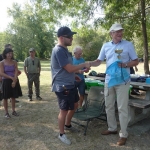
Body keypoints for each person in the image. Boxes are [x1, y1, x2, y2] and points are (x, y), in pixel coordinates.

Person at [87, 23, 139, 146]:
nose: (119, 33)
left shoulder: (128, 45)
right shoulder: (105, 46)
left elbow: (136, 61)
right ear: (111, 33)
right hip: (109, 81)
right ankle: (112, 128)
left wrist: (125, 65)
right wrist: (88, 63)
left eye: (121, 31)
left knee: (122, 108)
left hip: (123, 81)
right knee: (109, 106)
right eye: (116, 31)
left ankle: (123, 134)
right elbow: (98, 61)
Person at [51, 26, 90, 145]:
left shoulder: (65, 51)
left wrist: (74, 76)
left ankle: (68, 125)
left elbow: (67, 70)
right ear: (62, 38)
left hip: (70, 83)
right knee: (63, 110)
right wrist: (84, 64)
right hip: (62, 86)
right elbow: (69, 68)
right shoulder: (58, 50)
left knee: (74, 106)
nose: (72, 38)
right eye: (70, 37)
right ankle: (61, 134)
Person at [0, 48, 22, 118]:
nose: (10, 55)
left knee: (13, 97)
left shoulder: (14, 62)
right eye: (8, 53)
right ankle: (6, 112)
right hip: (6, 81)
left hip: (14, 80)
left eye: (11, 53)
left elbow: (16, 71)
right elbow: (1, 73)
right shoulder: (2, 63)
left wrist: (14, 80)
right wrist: (11, 78)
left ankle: (13, 111)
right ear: (5, 54)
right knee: (5, 98)